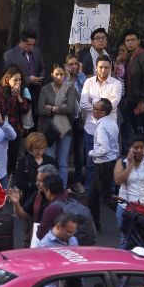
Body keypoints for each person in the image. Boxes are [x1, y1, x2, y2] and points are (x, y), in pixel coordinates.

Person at [79, 55, 122, 188]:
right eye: (101, 67)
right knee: (90, 162)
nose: (103, 70)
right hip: (91, 127)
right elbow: (82, 103)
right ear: (96, 68)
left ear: (111, 68)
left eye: (106, 67)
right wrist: (100, 107)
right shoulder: (88, 82)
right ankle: (89, 189)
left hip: (109, 129)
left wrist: (94, 105)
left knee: (109, 160)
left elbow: (113, 105)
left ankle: (109, 190)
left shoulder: (116, 83)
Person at [38, 64, 78, 186]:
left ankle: (62, 188)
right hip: (50, 129)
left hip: (65, 129)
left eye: (61, 74)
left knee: (63, 162)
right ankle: (50, 188)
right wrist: (61, 108)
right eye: (57, 74)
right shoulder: (45, 89)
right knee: (50, 160)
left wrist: (52, 108)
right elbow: (40, 109)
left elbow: (70, 108)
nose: (59, 77)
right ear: (52, 75)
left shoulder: (69, 88)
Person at [87, 98, 120, 232]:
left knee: (105, 197)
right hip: (108, 163)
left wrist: (91, 153)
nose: (93, 110)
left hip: (104, 164)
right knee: (92, 196)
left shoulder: (102, 127)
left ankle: (130, 216)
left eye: (95, 108)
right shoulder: (112, 122)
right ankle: (95, 225)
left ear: (103, 113)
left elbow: (103, 149)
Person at [9, 164, 59, 248]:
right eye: (37, 180)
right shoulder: (37, 195)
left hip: (56, 242)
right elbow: (23, 214)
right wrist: (16, 203)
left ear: (51, 181)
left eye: (40, 181)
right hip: (38, 239)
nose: (37, 183)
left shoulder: (62, 199)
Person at [0, 66, 31, 176]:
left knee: (13, 157)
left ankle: (11, 180)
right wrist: (13, 97)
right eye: (15, 80)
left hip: (16, 128)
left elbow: (25, 109)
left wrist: (19, 96)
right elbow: (4, 110)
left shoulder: (19, 91)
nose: (18, 82)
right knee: (3, 157)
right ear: (7, 79)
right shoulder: (0, 91)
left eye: (19, 80)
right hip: (3, 129)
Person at [122, 29, 144, 142]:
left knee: (142, 131)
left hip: (140, 101)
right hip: (130, 101)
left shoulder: (143, 57)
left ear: (138, 41)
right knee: (135, 131)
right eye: (127, 40)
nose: (130, 43)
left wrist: (143, 101)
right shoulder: (129, 57)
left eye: (133, 40)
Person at [10, 132, 56, 205]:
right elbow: (19, 182)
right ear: (30, 148)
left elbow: (55, 180)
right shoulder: (23, 161)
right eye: (36, 149)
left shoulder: (50, 161)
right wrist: (35, 185)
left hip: (46, 199)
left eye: (42, 148)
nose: (39, 151)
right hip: (27, 199)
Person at [65, 54, 88, 194]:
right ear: (66, 66)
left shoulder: (82, 78)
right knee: (66, 149)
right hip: (66, 118)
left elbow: (87, 92)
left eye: (76, 64)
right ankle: (64, 182)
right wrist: (67, 78)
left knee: (79, 150)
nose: (74, 67)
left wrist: (80, 75)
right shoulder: (63, 78)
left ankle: (78, 180)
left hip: (80, 118)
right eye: (71, 64)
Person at [3, 29, 45, 100]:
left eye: (33, 44)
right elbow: (8, 75)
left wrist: (40, 78)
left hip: (38, 91)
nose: (31, 47)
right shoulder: (9, 55)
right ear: (21, 42)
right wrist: (28, 79)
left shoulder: (37, 51)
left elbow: (43, 68)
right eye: (28, 44)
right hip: (20, 93)